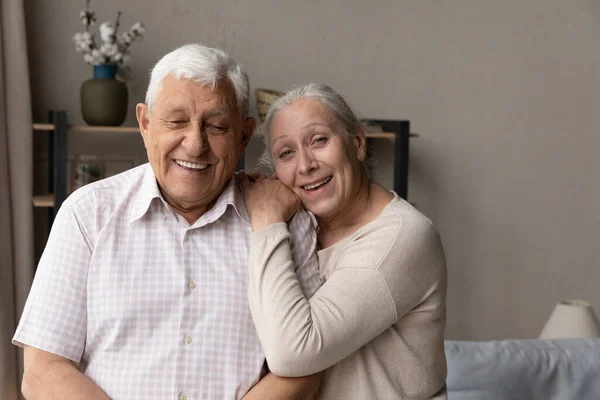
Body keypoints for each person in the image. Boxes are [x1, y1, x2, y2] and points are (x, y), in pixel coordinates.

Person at [13, 44, 323, 400]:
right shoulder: (87, 214)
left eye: (217, 126)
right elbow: (43, 370)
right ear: (145, 124)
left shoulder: (285, 222)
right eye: (176, 121)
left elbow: (303, 372)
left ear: (243, 136)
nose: (194, 145)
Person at [239, 83, 448, 399]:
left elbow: (292, 353)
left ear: (359, 142)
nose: (306, 164)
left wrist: (267, 222)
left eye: (319, 140)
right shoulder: (302, 227)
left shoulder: (403, 237)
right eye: (286, 153)